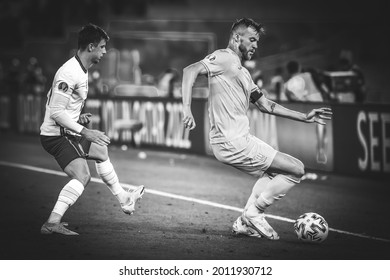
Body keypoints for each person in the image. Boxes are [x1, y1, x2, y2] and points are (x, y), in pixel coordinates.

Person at [181, 18, 332, 240]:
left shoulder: (243, 72)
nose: (255, 45)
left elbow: (265, 105)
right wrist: (186, 108)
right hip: (232, 141)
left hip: (239, 139)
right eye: (252, 39)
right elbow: (189, 70)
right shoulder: (224, 58)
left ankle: (245, 222)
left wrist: (304, 116)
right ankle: (254, 213)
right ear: (236, 38)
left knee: (275, 172)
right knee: (296, 169)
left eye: (257, 41)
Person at [39, 23, 145, 236]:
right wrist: (85, 131)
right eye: (103, 47)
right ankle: (52, 223)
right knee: (82, 176)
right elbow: (55, 112)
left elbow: (57, 106)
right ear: (90, 47)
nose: (105, 52)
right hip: (56, 135)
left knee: (100, 150)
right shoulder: (69, 72)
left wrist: (77, 117)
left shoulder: (81, 69)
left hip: (66, 131)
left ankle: (124, 198)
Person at [284, 60, 329, 164]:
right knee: (320, 138)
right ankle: (321, 163)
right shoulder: (309, 75)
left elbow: (291, 100)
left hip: (303, 116)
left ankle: (307, 164)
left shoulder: (286, 85)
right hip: (319, 109)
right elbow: (323, 87)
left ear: (288, 71)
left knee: (306, 143)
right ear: (299, 67)